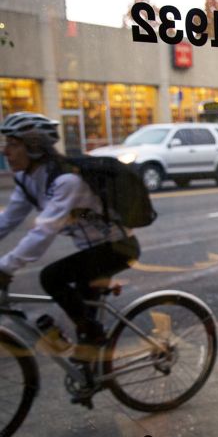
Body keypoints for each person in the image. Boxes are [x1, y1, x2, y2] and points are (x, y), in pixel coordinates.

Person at [0, 111, 140, 360]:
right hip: (92, 250)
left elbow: (44, 231)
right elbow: (8, 219)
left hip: (117, 248)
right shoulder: (27, 179)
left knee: (52, 277)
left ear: (33, 147)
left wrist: (6, 268)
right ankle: (92, 367)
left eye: (12, 144)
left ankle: (95, 338)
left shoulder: (66, 181)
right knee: (82, 315)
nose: (5, 151)